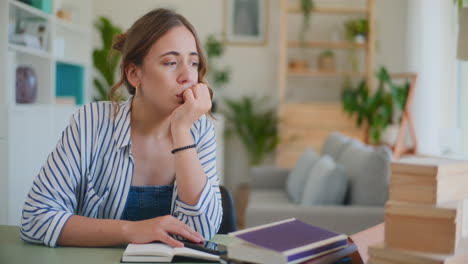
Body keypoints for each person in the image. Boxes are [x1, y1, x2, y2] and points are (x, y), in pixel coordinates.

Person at [20, 8, 222, 248]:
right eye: (170, 62)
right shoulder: (91, 122)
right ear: (135, 74)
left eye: (194, 63)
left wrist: (181, 132)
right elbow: (36, 218)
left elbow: (202, 232)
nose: (187, 76)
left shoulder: (199, 132)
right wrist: (132, 230)